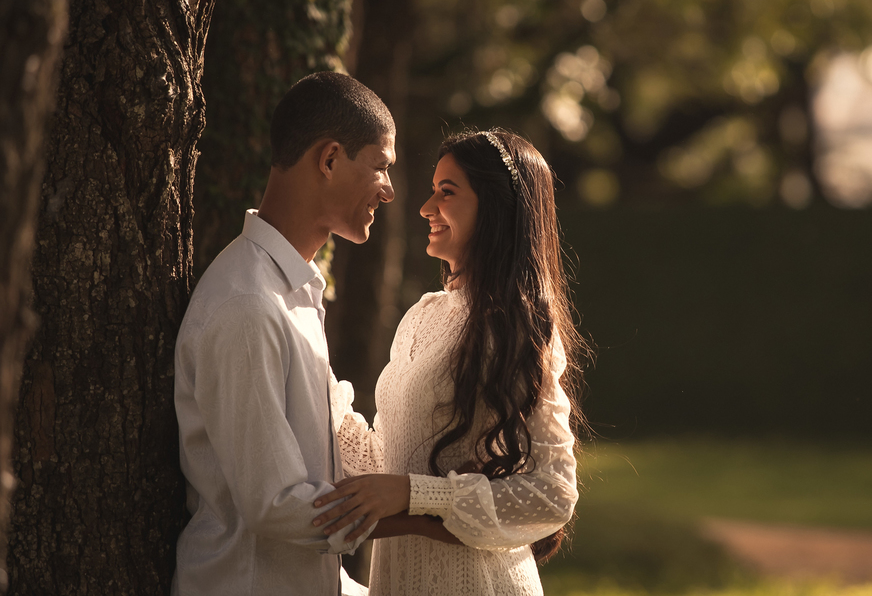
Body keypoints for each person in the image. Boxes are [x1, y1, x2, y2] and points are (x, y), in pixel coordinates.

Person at [314, 129, 586, 596]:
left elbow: (553, 493)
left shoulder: (515, 326)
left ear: (496, 208)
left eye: (447, 192)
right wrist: (313, 375)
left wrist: (414, 494)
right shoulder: (422, 315)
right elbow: (395, 458)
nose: (426, 207)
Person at [173, 72, 396, 596]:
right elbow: (276, 503)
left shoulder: (292, 291)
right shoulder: (248, 304)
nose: (387, 190)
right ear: (330, 159)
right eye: (381, 166)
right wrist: (429, 519)